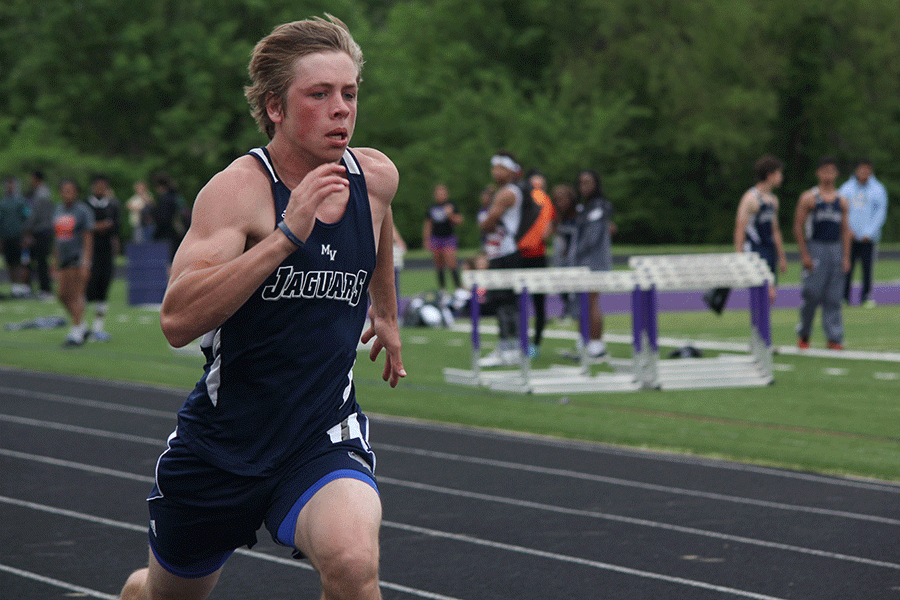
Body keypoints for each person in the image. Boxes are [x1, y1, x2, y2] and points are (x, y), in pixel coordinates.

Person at [118, 15, 405, 600]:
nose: (341, 109)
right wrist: (284, 238)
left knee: (354, 566)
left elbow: (378, 231)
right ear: (275, 107)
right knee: (167, 594)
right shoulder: (238, 192)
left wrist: (387, 313)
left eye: (349, 93)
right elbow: (176, 320)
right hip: (223, 446)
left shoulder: (374, 177)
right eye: (319, 94)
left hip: (322, 430)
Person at [793, 156, 851, 351]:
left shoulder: (841, 200)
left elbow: (845, 230)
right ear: (818, 172)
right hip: (816, 246)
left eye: (831, 171)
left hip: (835, 248)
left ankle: (834, 337)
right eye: (824, 170)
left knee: (834, 297)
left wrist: (846, 256)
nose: (828, 175)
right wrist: (804, 254)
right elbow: (798, 226)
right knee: (812, 294)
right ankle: (804, 333)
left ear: (836, 174)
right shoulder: (809, 197)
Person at [478, 152, 525, 366]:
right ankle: (508, 345)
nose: (495, 172)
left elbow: (487, 223)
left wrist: (487, 210)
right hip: (498, 252)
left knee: (505, 301)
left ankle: (510, 347)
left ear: (511, 171)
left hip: (506, 252)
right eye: (493, 167)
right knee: (501, 301)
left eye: (500, 168)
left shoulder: (507, 193)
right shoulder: (501, 192)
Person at [570, 169, 615, 359]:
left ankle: (596, 343)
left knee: (592, 299)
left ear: (596, 183)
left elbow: (592, 237)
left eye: (588, 182)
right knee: (582, 301)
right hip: (582, 261)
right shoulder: (584, 207)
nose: (583, 186)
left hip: (594, 261)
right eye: (581, 182)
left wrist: (577, 252)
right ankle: (584, 338)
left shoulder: (600, 206)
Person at [733, 154, 788, 303]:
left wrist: (781, 256)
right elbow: (740, 228)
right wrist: (739, 257)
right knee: (765, 294)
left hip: (769, 250)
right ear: (770, 175)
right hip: (755, 250)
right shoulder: (750, 199)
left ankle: (760, 326)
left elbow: (775, 230)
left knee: (769, 297)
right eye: (779, 173)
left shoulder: (773, 200)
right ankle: (758, 325)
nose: (781, 177)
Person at [839, 158, 888, 307]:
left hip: (869, 238)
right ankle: (844, 297)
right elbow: (841, 211)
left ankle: (866, 296)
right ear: (856, 170)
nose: (864, 173)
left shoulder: (878, 189)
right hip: (850, 236)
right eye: (862, 169)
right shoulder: (846, 188)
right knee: (847, 266)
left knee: (867, 268)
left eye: (867, 170)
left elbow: (880, 213)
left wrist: (869, 232)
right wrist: (848, 231)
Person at [516, 170, 555, 353]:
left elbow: (547, 231)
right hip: (525, 257)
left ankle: (532, 343)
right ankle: (526, 342)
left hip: (532, 257)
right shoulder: (537, 202)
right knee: (526, 304)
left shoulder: (545, 203)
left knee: (535, 304)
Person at [53, 179, 94, 347]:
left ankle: (76, 332)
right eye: (64, 191)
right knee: (62, 295)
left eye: (70, 191)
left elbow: (88, 238)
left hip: (76, 259)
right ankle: (82, 326)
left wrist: (86, 263)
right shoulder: (58, 210)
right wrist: (54, 262)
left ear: (76, 192)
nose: (67, 194)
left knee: (76, 296)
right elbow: (57, 239)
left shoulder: (82, 211)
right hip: (62, 259)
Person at [85, 174, 122, 341]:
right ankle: (81, 325)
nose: (100, 190)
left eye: (103, 186)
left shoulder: (113, 205)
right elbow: (84, 227)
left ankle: (98, 327)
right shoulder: (85, 205)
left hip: (106, 251)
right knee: (88, 288)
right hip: (89, 251)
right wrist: (98, 226)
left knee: (103, 286)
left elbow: (117, 227)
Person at [422, 183, 463, 292]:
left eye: (443, 192)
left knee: (451, 261)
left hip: (448, 237)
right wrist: (426, 240)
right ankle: (442, 289)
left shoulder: (451, 205)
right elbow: (428, 225)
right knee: (439, 264)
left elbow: (459, 220)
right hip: (436, 238)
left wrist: (450, 215)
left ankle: (458, 288)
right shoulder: (432, 207)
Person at [23, 170, 56, 299]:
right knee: (38, 260)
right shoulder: (44, 192)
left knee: (41, 261)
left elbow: (34, 215)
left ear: (36, 179)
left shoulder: (41, 194)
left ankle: (45, 289)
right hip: (43, 230)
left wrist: (26, 229)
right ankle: (41, 287)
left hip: (41, 231)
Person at [550, 183, 578, 321]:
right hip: (561, 256)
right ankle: (567, 306)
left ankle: (574, 310)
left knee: (574, 283)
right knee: (561, 283)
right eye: (557, 199)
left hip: (574, 256)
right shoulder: (556, 215)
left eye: (563, 198)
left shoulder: (578, 213)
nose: (560, 202)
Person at [1, 176, 30, 298]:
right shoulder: (3, 203)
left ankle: (19, 288)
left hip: (18, 237)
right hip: (6, 237)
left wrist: (26, 235)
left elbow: (27, 217)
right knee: (9, 262)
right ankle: (13, 286)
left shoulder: (21, 202)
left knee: (18, 263)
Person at [150, 171, 186, 261]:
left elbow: (163, 219)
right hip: (179, 232)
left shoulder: (165, 200)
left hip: (168, 235)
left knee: (168, 261)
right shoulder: (177, 197)